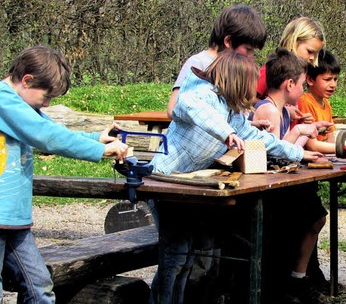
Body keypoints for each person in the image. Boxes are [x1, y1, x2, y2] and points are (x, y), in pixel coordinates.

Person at [149, 51, 324, 303]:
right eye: (251, 81)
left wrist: (299, 154)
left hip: (188, 188)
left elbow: (266, 141)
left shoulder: (233, 115)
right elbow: (195, 110)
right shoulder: (199, 94)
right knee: (176, 255)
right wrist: (227, 133)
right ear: (237, 80)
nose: (255, 87)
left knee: (187, 258)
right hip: (162, 184)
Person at [0, 45, 129, 302]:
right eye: (46, 96)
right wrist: (99, 151)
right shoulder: (4, 101)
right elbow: (47, 137)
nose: (47, 104)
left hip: (14, 219)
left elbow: (54, 130)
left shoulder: (23, 107)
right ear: (27, 80)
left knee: (40, 288)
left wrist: (96, 138)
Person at [251, 48, 332, 303]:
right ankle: (286, 284)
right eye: (300, 84)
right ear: (289, 84)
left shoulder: (284, 110)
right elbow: (274, 155)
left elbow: (287, 148)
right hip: (267, 189)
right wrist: (300, 133)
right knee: (305, 218)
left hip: (282, 185)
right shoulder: (269, 111)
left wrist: (310, 129)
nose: (302, 91)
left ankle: (297, 279)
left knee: (316, 215)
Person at [166, 4, 267, 119]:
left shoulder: (237, 69)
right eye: (248, 50)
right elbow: (173, 109)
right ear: (228, 41)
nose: (251, 57)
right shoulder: (198, 64)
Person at [298, 49, 346, 154]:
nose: (333, 85)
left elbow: (330, 142)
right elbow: (312, 145)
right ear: (310, 80)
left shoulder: (326, 103)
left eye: (335, 79)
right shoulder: (304, 102)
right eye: (327, 79)